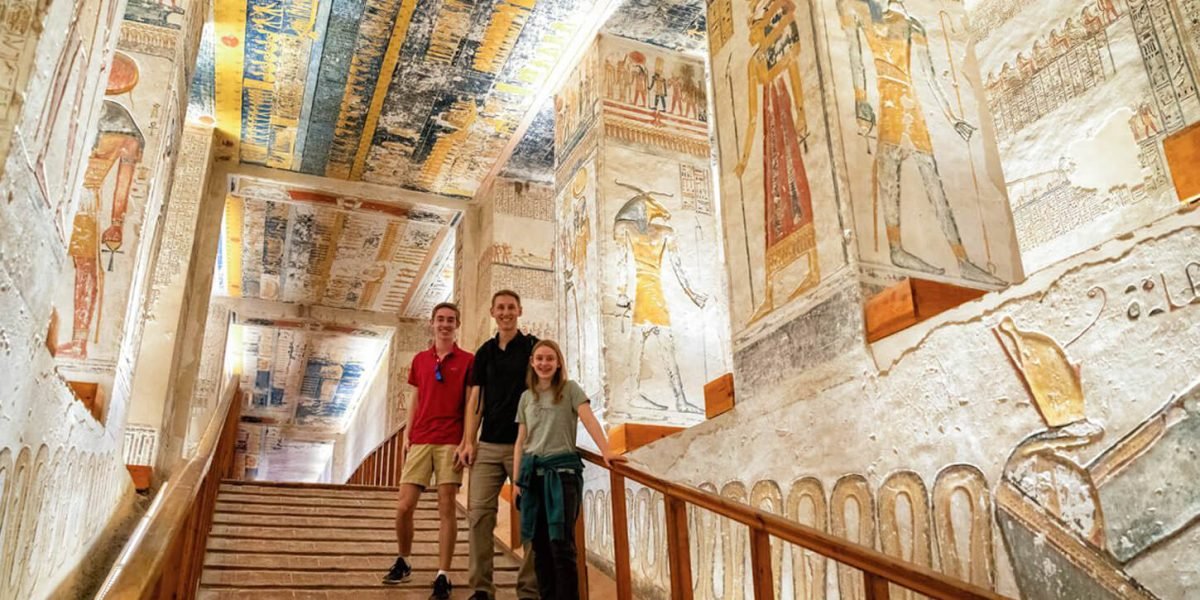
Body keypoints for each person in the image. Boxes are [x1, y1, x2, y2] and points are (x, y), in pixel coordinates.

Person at [513, 340, 625, 599]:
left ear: (558, 362)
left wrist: (606, 450)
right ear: (532, 362)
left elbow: (589, 419)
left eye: (549, 358)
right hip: (532, 475)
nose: (544, 363)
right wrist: (518, 480)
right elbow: (521, 441)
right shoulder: (526, 397)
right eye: (539, 358)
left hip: (562, 475)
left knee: (561, 545)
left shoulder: (570, 389)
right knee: (539, 546)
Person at [383, 302, 472, 600]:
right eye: (440, 319)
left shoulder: (468, 360)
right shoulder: (421, 360)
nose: (445, 324)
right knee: (404, 506)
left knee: (446, 508)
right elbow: (416, 396)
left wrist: (467, 440)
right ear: (431, 323)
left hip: (450, 440)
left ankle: (442, 574)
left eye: (450, 320)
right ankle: (404, 560)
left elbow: (472, 404)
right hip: (421, 439)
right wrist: (408, 432)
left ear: (456, 324)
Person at [458, 290, 540, 599]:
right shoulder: (484, 352)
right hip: (489, 446)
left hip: (525, 445)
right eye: (500, 308)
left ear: (519, 310)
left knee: (530, 515)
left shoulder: (532, 347)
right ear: (493, 312)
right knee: (479, 516)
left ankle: (529, 590)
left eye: (511, 307)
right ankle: (481, 588)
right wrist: (468, 441)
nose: (506, 312)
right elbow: (475, 400)